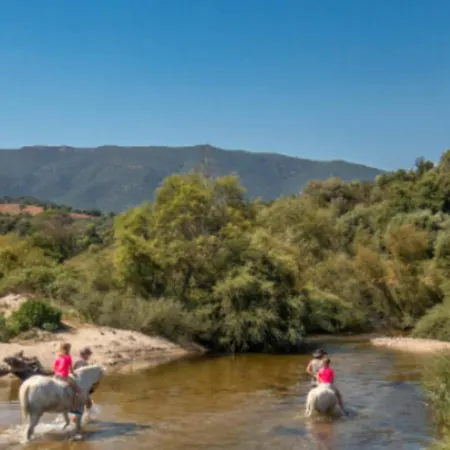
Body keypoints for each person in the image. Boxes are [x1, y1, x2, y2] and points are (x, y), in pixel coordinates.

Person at [53, 342, 80, 412]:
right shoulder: (68, 357)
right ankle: (73, 408)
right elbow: (71, 370)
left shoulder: (58, 356)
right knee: (77, 390)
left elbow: (54, 367)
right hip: (63, 376)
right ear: (68, 349)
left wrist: (57, 372)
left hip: (56, 376)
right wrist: (74, 374)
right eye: (69, 349)